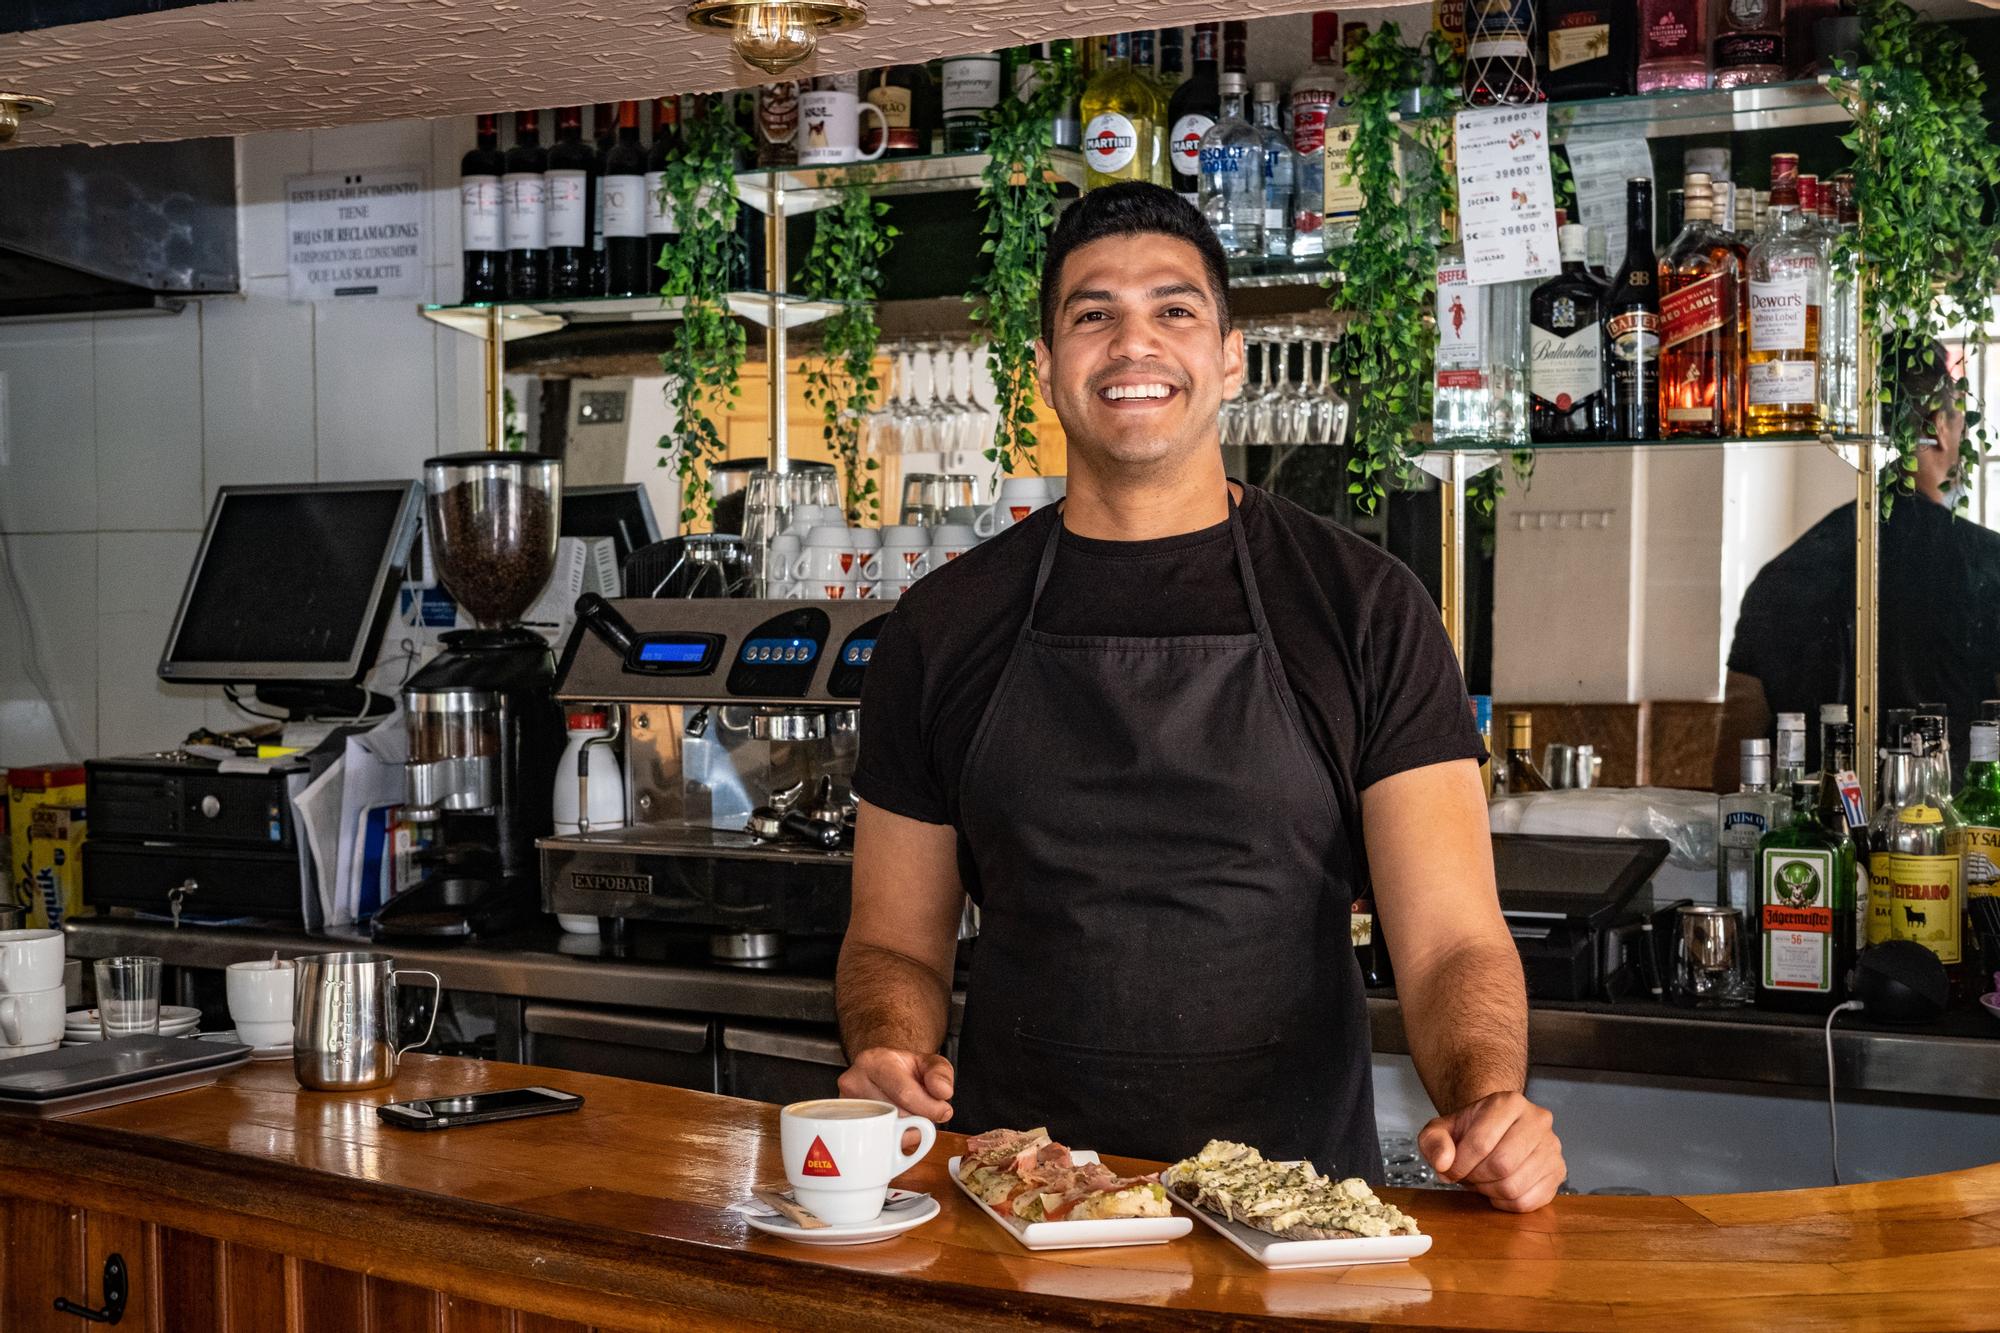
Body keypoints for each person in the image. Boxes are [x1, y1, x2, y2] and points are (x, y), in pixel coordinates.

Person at [835, 183, 1564, 1212]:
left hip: (1293, 1211)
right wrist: (888, 1052)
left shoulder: (1361, 607)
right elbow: (891, 940)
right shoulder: (940, 625)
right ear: (1043, 369)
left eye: (1172, 311)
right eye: (1092, 315)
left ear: (1229, 357)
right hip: (1023, 1207)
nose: (1133, 344)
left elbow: (1450, 938)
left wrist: (1489, 1101)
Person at [1717, 340, 2000, 788]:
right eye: (1962, 421)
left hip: (1816, 838)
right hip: (1949, 837)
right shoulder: (1988, 564)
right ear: (1939, 427)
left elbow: (1741, 726)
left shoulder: (1788, 568)